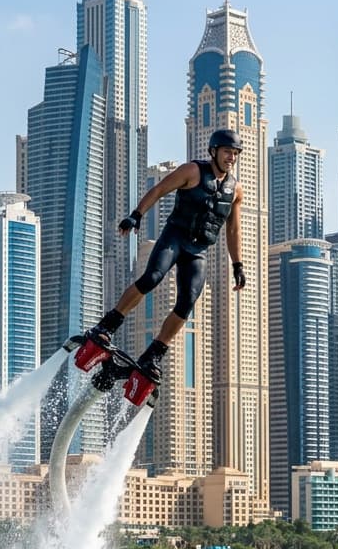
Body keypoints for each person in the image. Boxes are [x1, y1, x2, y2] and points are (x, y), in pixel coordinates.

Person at [86, 128, 247, 382]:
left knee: (187, 303)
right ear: (214, 151)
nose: (231, 157)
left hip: (198, 251)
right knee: (151, 277)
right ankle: (107, 325)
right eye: (228, 152)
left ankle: (153, 355)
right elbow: (159, 189)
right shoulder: (192, 171)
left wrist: (238, 264)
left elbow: (233, 228)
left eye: (235, 153)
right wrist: (136, 215)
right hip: (175, 238)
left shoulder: (235, 190)